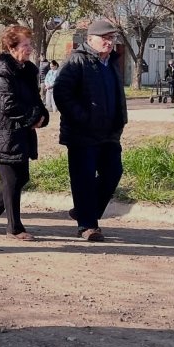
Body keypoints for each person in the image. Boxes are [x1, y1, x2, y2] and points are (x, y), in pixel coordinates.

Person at [53, 18, 127, 242]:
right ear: (90, 39)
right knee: (83, 179)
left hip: (109, 133)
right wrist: (82, 118)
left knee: (113, 173)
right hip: (82, 133)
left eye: (112, 38)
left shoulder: (111, 62)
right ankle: (88, 225)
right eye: (104, 38)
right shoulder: (77, 60)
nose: (109, 42)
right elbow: (61, 93)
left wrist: (119, 120)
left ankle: (84, 210)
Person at [0, 25, 49, 241]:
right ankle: (14, 228)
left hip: (21, 133)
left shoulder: (29, 69)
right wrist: (32, 118)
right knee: (11, 181)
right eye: (25, 45)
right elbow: (8, 105)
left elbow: (35, 98)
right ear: (12, 47)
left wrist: (42, 115)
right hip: (3, 135)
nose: (29, 48)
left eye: (29, 44)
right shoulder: (2, 70)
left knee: (22, 177)